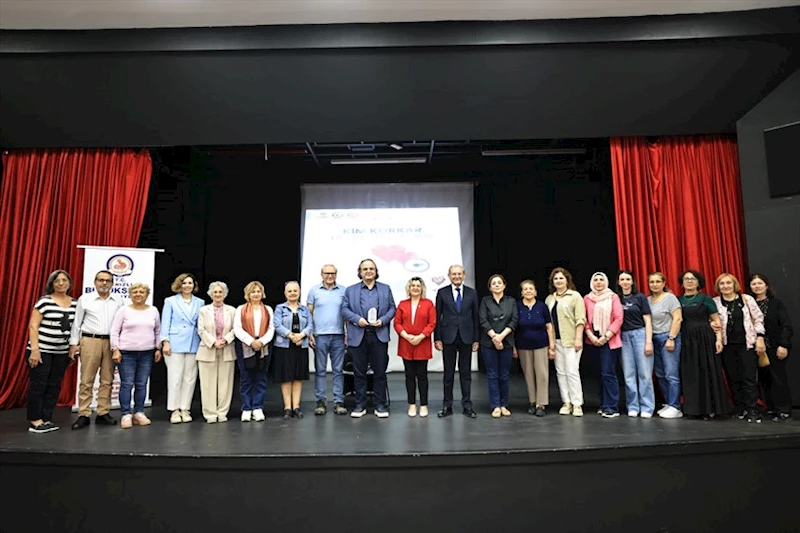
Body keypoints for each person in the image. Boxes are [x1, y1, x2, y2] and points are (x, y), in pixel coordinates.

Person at [341, 259, 396, 418]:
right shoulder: (351, 290)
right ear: (360, 271)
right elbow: (344, 309)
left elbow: (393, 308)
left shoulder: (385, 289)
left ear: (376, 271)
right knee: (359, 373)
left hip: (379, 335)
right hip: (359, 335)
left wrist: (383, 320)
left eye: (371, 268)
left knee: (379, 372)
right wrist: (357, 319)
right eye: (365, 269)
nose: (368, 271)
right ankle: (360, 405)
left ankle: (380, 405)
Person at [69, 270, 122, 429]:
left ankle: (102, 412)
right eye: (101, 280)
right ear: (95, 282)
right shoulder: (85, 299)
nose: (104, 283)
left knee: (107, 379)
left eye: (107, 281)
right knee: (86, 379)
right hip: (90, 340)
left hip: (111, 343)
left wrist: (119, 346)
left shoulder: (118, 301)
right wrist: (73, 344)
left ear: (112, 283)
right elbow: (77, 323)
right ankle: (84, 413)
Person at [26, 270, 78, 433]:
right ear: (52, 284)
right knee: (38, 384)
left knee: (54, 385)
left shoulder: (75, 303)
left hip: (61, 352)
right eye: (57, 281)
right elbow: (33, 326)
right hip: (41, 350)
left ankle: (46, 418)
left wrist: (72, 349)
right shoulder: (44, 302)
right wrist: (35, 350)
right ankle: (35, 420)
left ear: (69, 283)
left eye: (64, 280)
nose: (61, 283)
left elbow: (75, 329)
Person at [713, 273, 765, 423]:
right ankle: (740, 408)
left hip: (747, 344)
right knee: (733, 378)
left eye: (728, 283)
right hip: (727, 346)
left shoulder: (746, 300)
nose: (725, 286)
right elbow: (712, 320)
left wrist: (760, 338)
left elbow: (758, 319)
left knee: (749, 378)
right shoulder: (715, 302)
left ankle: (752, 409)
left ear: (734, 284)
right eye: (722, 284)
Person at [110, 283, 162, 429]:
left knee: (141, 384)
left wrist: (158, 348)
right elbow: (114, 330)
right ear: (130, 294)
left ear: (146, 295)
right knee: (127, 384)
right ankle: (126, 414)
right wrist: (115, 349)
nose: (138, 294)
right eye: (135, 292)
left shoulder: (153, 310)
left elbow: (158, 330)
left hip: (147, 353)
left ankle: (139, 412)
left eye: (142, 292)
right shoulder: (124, 310)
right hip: (126, 353)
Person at [678, 270, 726, 420]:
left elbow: (716, 321)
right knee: (690, 373)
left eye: (693, 279)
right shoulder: (677, 300)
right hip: (686, 339)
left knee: (707, 371)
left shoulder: (706, 299)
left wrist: (719, 339)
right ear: (682, 282)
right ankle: (693, 409)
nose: (689, 281)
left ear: (699, 282)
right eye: (686, 279)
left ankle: (710, 409)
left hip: (705, 339)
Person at [434, 264, 480, 418]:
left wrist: (476, 339)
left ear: (464, 275)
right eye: (454, 274)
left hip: (466, 337)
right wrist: (437, 338)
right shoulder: (442, 293)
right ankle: (447, 406)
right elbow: (437, 317)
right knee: (448, 374)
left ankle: (467, 406)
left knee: (465, 374)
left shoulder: (472, 293)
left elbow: (475, 318)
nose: (457, 276)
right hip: (448, 337)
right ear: (449, 275)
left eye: (459, 274)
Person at [749, 273, 793, 421]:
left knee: (778, 379)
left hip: (774, 346)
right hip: (756, 349)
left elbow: (786, 326)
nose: (757, 286)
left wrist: (783, 345)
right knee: (764, 379)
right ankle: (770, 408)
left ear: (766, 285)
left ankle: (783, 410)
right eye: (754, 284)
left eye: (760, 283)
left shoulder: (775, 303)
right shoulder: (749, 304)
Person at [161, 273, 203, 424]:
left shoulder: (200, 302)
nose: (187, 286)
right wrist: (165, 341)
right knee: (175, 377)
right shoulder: (171, 301)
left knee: (190, 378)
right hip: (175, 342)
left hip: (193, 342)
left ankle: (185, 408)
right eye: (184, 283)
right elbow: (165, 322)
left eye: (190, 283)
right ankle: (174, 409)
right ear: (179, 284)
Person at [545, 267, 586, 417]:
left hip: (571, 340)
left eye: (561, 278)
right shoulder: (550, 299)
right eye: (555, 279)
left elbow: (580, 319)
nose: (558, 281)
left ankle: (577, 404)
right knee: (561, 372)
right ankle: (566, 402)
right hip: (556, 341)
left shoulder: (575, 296)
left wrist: (578, 338)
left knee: (572, 371)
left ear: (567, 280)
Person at [307, 264, 347, 416]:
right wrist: (310, 333)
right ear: (321, 274)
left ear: (336, 274)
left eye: (333, 273)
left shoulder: (343, 291)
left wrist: (348, 333)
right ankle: (321, 401)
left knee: (338, 370)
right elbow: (308, 313)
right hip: (320, 335)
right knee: (320, 370)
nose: (330, 276)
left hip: (338, 335)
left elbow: (347, 314)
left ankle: (338, 401)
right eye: (327, 273)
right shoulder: (314, 291)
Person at [394, 277, 436, 418]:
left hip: (422, 344)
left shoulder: (428, 304)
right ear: (409, 288)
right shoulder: (402, 304)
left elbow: (432, 323)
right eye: (413, 286)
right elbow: (397, 323)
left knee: (422, 376)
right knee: (409, 376)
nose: (415, 288)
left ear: (422, 288)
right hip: (406, 344)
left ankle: (423, 405)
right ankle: (412, 404)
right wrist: (406, 336)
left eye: (418, 285)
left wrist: (420, 337)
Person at [583, 272, 623, 418]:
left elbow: (618, 319)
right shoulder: (587, 298)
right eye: (596, 280)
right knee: (598, 375)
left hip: (609, 340)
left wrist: (606, 337)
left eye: (601, 280)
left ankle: (612, 407)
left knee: (608, 373)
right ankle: (603, 404)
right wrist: (591, 336)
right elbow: (584, 319)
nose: (598, 282)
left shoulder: (613, 297)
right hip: (592, 340)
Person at [233, 281, 274, 422]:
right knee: (246, 378)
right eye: (253, 292)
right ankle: (246, 408)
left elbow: (271, 329)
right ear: (248, 294)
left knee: (261, 378)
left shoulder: (268, 309)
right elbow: (237, 328)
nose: (256, 294)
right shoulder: (240, 309)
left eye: (258, 291)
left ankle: (257, 407)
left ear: (262, 293)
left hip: (264, 346)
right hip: (245, 346)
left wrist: (261, 342)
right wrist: (251, 341)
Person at [514, 279, 555, 417]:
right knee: (529, 374)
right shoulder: (517, 306)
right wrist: (514, 347)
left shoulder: (542, 307)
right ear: (522, 292)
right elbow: (514, 328)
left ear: (535, 291)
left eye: (531, 288)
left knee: (542, 374)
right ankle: (532, 402)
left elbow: (549, 327)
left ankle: (541, 404)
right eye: (525, 289)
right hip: (523, 346)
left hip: (541, 345)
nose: (528, 291)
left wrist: (552, 347)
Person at [196, 281, 236, 423]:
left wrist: (225, 340)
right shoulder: (203, 310)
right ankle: (210, 413)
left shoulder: (232, 310)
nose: (218, 295)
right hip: (208, 349)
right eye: (215, 292)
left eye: (220, 292)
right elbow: (201, 329)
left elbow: (235, 329)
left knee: (225, 384)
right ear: (210, 294)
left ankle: (222, 412)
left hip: (227, 349)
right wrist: (214, 342)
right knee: (207, 384)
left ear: (225, 294)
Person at [479, 274, 518, 418]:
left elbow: (514, 320)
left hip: (506, 342)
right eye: (493, 283)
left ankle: (503, 405)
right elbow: (483, 320)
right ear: (490, 287)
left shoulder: (511, 301)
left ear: (504, 285)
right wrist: (495, 337)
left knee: (504, 375)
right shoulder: (485, 301)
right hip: (488, 343)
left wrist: (501, 336)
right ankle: (495, 405)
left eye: (499, 283)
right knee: (492, 374)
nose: (496, 285)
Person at [616, 270, 654, 418]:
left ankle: (647, 407)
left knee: (644, 373)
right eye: (622, 279)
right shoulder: (616, 299)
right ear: (618, 282)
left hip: (640, 334)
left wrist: (648, 341)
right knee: (628, 374)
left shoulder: (640, 298)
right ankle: (633, 406)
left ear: (632, 282)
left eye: (628, 279)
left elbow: (648, 321)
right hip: (624, 337)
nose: (625, 282)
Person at [273, 281, 313, 420]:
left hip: (300, 346)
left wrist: (301, 335)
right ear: (285, 293)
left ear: (299, 292)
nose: (292, 293)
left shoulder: (305, 309)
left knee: (297, 377)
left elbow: (310, 324)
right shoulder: (280, 308)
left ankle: (296, 407)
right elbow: (277, 325)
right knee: (286, 377)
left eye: (295, 290)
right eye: (289, 291)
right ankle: (287, 408)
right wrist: (291, 336)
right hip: (284, 346)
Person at [647, 272, 684, 419]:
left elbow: (678, 319)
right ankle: (669, 403)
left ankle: (676, 406)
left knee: (671, 374)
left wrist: (671, 338)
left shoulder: (670, 298)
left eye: (658, 281)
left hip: (667, 337)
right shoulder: (648, 300)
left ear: (663, 283)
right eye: (652, 282)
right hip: (653, 339)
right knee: (660, 374)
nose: (655, 284)